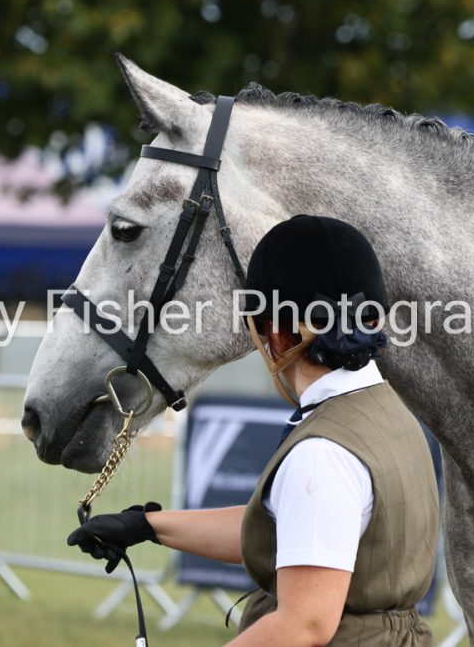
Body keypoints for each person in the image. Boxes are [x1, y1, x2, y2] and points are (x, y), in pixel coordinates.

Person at [68, 215, 440, 646]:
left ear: (278, 336)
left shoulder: (323, 453)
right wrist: (146, 525)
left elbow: (302, 626)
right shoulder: (387, 414)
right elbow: (295, 533)